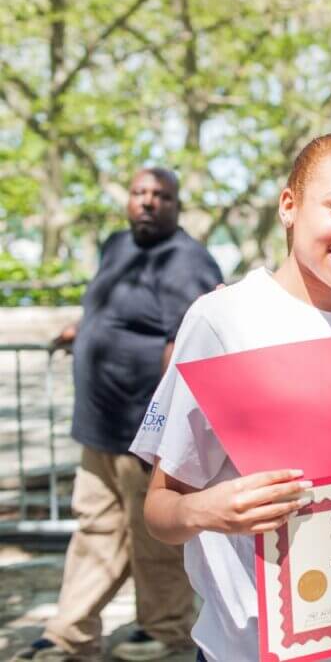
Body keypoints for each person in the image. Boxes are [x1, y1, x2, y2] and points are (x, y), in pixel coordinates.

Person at [128, 132, 331, 662]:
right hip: (248, 647)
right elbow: (160, 511)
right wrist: (209, 510)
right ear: (289, 207)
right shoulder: (222, 319)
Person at [17, 168, 222, 661]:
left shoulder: (188, 262)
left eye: (161, 196)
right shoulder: (116, 245)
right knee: (95, 531)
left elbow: (192, 342)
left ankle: (167, 629)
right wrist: (82, 330)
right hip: (98, 424)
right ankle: (72, 634)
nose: (148, 203)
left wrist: (171, 430)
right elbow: (111, 306)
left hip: (142, 429)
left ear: (176, 204)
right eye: (139, 193)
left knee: (153, 539)